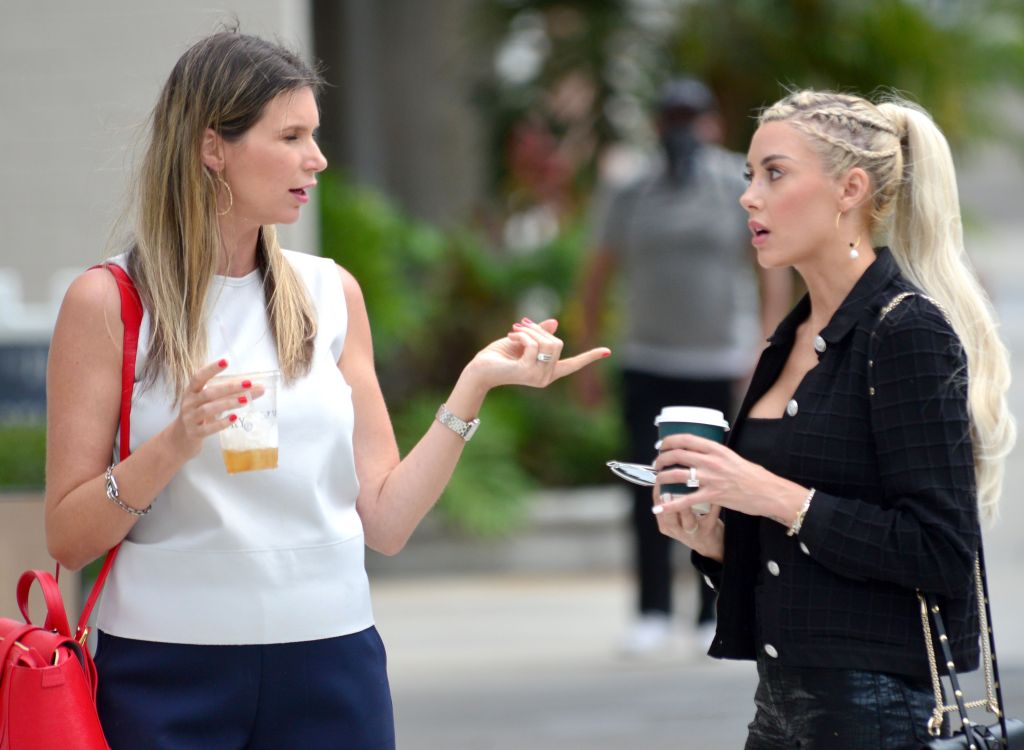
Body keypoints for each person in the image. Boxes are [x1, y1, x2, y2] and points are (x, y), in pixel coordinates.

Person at [44, 31, 609, 749]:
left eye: (315, 133)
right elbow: (68, 537)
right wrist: (174, 443)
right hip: (165, 671)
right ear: (213, 147)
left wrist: (474, 385)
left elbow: (387, 522)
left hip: (330, 660)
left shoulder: (330, 293)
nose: (318, 158)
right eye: (292, 136)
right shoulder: (109, 301)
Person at [652, 89, 1016, 748]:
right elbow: (800, 561)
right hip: (780, 707)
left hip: (874, 713)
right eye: (749, 176)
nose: (749, 197)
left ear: (848, 189)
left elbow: (939, 550)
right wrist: (714, 543)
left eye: (775, 173)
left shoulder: (904, 330)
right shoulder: (788, 340)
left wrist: (766, 493)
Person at [577, 78, 791, 655]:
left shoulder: (734, 185)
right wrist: (590, 355)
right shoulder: (632, 190)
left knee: (720, 486)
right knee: (649, 487)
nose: (683, 129)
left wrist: (767, 347)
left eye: (692, 117)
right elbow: (597, 273)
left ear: (711, 124)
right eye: (672, 117)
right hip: (649, 358)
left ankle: (712, 609)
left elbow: (770, 267)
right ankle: (651, 610)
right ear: (658, 124)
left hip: (722, 360)